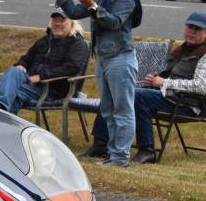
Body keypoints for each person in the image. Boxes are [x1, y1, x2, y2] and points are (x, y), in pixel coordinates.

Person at [55, 0, 143, 167]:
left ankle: (120, 157)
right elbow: (75, 12)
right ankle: (113, 154)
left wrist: (93, 5)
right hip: (103, 57)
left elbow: (114, 22)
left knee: (122, 109)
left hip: (120, 58)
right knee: (108, 109)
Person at [88, 12, 206, 164]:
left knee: (136, 96)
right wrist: (154, 80)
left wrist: (164, 82)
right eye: (190, 27)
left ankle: (147, 150)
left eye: (197, 29)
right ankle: (100, 144)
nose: (191, 31)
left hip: (188, 104)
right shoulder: (182, 49)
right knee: (115, 90)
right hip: (170, 96)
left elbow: (202, 86)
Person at [0, 9, 89, 114]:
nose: (57, 23)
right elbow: (26, 59)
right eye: (55, 20)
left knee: (11, 93)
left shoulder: (78, 44)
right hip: (32, 85)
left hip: (53, 90)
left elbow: (71, 67)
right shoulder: (44, 41)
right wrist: (21, 65)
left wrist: (41, 77)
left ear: (72, 24)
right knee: (14, 71)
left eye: (62, 20)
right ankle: (0, 110)